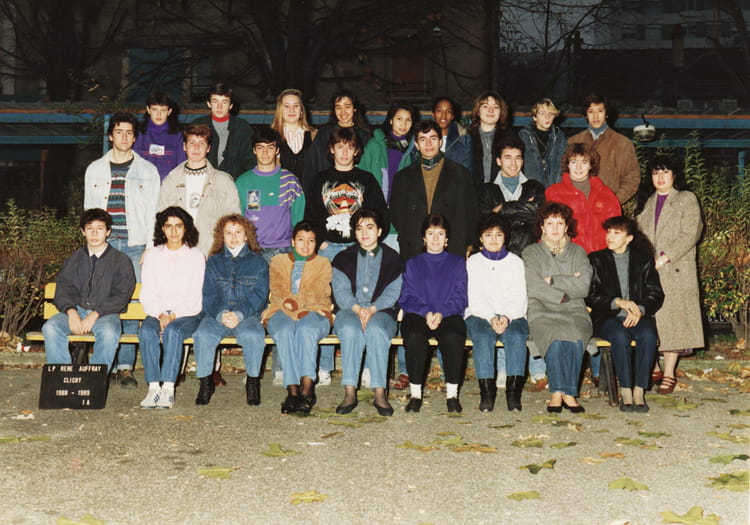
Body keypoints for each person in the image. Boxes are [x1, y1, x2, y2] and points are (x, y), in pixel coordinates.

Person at [305, 126, 389, 385]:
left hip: (358, 249)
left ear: (356, 151)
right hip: (328, 248)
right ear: (331, 149)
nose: (344, 152)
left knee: (362, 304)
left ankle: (366, 366)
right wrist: (318, 242)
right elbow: (310, 216)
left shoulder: (366, 179)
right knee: (327, 305)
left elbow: (381, 216)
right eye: (339, 147)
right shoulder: (320, 179)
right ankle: (324, 366)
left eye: (349, 147)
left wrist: (370, 244)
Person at [84, 110, 160, 388]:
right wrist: (90, 247)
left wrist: (150, 247)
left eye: (129, 133)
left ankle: (126, 367)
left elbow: (154, 212)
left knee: (132, 305)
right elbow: (88, 211)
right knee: (102, 302)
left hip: (134, 245)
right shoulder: (94, 169)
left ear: (134, 137)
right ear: (110, 136)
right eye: (119, 132)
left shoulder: (147, 170)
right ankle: (105, 366)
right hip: (103, 247)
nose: (124, 137)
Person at [636, 155, 704, 395]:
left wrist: (663, 258)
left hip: (675, 269)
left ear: (675, 175)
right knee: (652, 320)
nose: (660, 178)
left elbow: (690, 234)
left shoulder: (686, 199)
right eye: (656, 173)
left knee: (673, 322)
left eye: (665, 172)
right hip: (650, 271)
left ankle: (669, 373)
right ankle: (654, 367)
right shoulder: (647, 202)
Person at [586, 216, 664, 413]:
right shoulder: (596, 259)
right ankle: (626, 389)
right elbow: (590, 296)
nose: (610, 237)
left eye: (616, 233)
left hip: (638, 315)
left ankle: (639, 390)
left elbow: (655, 293)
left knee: (648, 336)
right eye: (609, 232)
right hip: (607, 316)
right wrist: (617, 302)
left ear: (629, 238)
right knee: (620, 336)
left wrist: (640, 310)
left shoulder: (643, 259)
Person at [42, 209, 136, 371]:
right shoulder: (74, 259)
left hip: (105, 314)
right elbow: (63, 288)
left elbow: (122, 294)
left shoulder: (121, 261)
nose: (94, 233)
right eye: (89, 228)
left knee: (109, 332)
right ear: (83, 231)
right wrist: (71, 312)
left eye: (100, 228)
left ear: (108, 232)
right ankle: (63, 377)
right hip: (76, 311)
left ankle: (94, 380)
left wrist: (95, 314)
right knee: (50, 327)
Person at [332, 209, 403, 417]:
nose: (364, 233)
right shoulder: (342, 258)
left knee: (377, 329)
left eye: (370, 227)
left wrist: (372, 309)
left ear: (379, 231)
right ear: (354, 232)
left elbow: (394, 292)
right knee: (349, 328)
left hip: (381, 310)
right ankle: (349, 391)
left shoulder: (393, 259)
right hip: (349, 310)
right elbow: (340, 292)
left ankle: (380, 392)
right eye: (359, 228)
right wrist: (358, 309)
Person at [523, 202, 592, 413]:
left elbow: (584, 286)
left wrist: (552, 279)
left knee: (574, 332)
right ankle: (557, 393)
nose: (554, 228)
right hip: (541, 309)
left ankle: (568, 393)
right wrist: (564, 292)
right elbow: (533, 285)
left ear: (566, 226)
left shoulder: (578, 252)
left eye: (559, 223)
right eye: (549, 223)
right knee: (553, 333)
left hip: (575, 309)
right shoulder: (531, 252)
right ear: (542, 226)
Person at [192, 215, 269, 406]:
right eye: (228, 233)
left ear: (246, 236)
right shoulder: (213, 262)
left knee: (253, 336)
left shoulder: (259, 263)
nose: (233, 237)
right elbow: (208, 294)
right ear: (222, 236)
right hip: (218, 314)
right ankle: (205, 383)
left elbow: (259, 296)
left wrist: (239, 314)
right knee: (203, 335)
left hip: (247, 315)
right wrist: (221, 314)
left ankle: (252, 383)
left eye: (238, 232)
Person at [262, 221, 332, 414]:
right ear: (293, 241)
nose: (306, 245)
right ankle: (292, 390)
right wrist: (292, 309)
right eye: (301, 240)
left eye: (311, 241)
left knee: (306, 329)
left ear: (316, 243)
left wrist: (297, 306)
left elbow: (317, 294)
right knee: (284, 330)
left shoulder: (323, 263)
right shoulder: (278, 261)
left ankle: (307, 389)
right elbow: (278, 291)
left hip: (315, 310)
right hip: (281, 309)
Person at [399, 214, 468, 413]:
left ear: (447, 239)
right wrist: (426, 312)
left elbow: (461, 296)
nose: (435, 238)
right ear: (423, 238)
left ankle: (452, 395)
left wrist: (442, 313)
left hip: (448, 313)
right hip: (419, 313)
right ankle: (415, 394)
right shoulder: (413, 264)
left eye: (440, 234)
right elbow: (406, 296)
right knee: (414, 336)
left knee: (453, 336)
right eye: (431, 233)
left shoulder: (457, 263)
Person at [138, 207, 205, 409]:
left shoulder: (196, 255)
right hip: (157, 312)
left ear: (186, 228)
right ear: (162, 229)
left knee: (173, 332)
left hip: (188, 313)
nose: (173, 231)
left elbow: (195, 294)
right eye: (168, 226)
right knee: (146, 331)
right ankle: (153, 388)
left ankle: (167, 389)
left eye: (178, 226)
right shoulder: (152, 255)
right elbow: (148, 292)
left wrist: (174, 314)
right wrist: (161, 314)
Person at [465, 213, 528, 412]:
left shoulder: (515, 262)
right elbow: (474, 297)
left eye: (498, 235)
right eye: (488, 235)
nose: (493, 240)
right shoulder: (473, 262)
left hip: (512, 314)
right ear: (480, 238)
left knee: (516, 335)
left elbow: (519, 296)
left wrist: (507, 316)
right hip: (479, 314)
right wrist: (491, 317)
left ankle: (513, 393)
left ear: (505, 237)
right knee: (483, 335)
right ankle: (487, 393)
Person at [390, 120, 478, 261]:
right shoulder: (402, 178)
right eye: (423, 139)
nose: (428, 144)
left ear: (440, 142)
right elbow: (396, 216)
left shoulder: (460, 174)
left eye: (433, 138)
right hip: (414, 250)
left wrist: (468, 245)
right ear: (416, 145)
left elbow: (471, 214)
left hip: (452, 249)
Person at [160, 123, 241, 256]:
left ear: (208, 148)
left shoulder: (224, 182)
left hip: (212, 253)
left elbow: (233, 221)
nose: (196, 148)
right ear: (184, 146)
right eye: (192, 143)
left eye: (201, 143)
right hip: (178, 253)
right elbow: (161, 220)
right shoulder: (171, 181)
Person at [235, 126, 306, 262]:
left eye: (270, 147)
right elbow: (238, 219)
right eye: (260, 147)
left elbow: (298, 220)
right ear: (254, 150)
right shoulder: (242, 182)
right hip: (252, 250)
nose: (265, 152)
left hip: (283, 250)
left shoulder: (290, 181)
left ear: (277, 150)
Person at [546, 143, 621, 254]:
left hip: (601, 256)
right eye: (574, 162)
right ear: (567, 165)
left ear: (591, 165)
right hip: (568, 256)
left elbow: (617, 230)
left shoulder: (606, 194)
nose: (578, 167)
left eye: (584, 162)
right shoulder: (553, 193)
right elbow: (545, 231)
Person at [478, 135, 546, 255]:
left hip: (529, 254)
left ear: (522, 161)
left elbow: (539, 215)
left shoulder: (535, 187)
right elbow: (485, 223)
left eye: (518, 158)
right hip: (497, 254)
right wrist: (524, 207)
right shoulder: (486, 190)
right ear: (498, 161)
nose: (513, 163)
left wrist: (503, 208)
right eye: (508, 158)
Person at [567, 93, 640, 204]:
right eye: (591, 112)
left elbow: (632, 178)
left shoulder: (623, 144)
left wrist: (614, 201)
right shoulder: (573, 142)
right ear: (585, 115)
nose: (595, 116)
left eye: (600, 111)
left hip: (609, 206)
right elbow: (564, 175)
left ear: (606, 114)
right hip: (578, 205)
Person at [357, 101, 419, 208]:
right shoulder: (374, 144)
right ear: (391, 120)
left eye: (408, 120)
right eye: (399, 119)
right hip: (375, 205)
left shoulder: (414, 148)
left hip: (402, 206)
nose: (403, 124)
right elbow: (362, 174)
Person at [193, 82, 255, 179]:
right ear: (209, 104)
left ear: (231, 105)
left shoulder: (243, 128)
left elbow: (250, 161)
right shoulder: (198, 125)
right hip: (203, 181)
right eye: (215, 101)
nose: (219, 107)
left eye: (224, 102)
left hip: (234, 182)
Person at [308, 89, 372, 175]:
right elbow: (313, 163)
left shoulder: (364, 135)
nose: (343, 112)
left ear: (354, 108)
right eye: (338, 107)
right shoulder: (324, 133)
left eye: (347, 107)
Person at [270, 88, 317, 192]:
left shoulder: (315, 136)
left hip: (309, 194)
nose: (291, 110)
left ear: (301, 110)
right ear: (280, 110)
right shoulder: (271, 137)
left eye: (296, 105)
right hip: (281, 193)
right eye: (286, 106)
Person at [133, 91, 186, 180]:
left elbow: (181, 166)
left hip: (169, 184)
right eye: (155, 109)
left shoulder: (178, 136)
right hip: (143, 183)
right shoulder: (138, 134)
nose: (159, 114)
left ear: (169, 111)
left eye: (163, 110)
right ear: (148, 110)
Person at [518, 98, 567, 188]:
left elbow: (564, 166)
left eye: (551, 113)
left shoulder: (560, 137)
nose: (547, 117)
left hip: (555, 188)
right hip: (531, 189)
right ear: (535, 117)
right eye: (542, 113)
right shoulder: (524, 136)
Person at [467, 91, 511, 189]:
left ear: (501, 112)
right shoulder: (466, 138)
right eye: (485, 106)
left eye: (496, 107)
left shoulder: (510, 139)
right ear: (478, 111)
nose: (491, 110)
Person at [430, 96, 472, 171]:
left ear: (452, 116)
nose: (443, 116)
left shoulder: (463, 139)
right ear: (433, 114)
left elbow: (467, 170)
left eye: (448, 111)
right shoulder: (423, 138)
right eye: (439, 111)